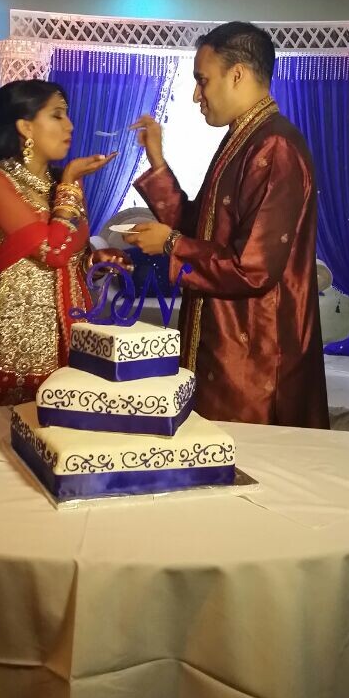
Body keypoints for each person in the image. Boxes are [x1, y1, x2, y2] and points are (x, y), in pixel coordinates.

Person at [128, 21, 329, 429]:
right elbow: (199, 227)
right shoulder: (245, 139)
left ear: (236, 75)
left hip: (254, 356)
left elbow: (253, 268)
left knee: (245, 458)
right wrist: (158, 163)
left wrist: (171, 245)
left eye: (202, 80)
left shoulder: (273, 146)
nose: (196, 95)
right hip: (225, 340)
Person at [0, 79, 127, 406]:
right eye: (57, 115)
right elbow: (52, 252)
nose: (70, 125)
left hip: (70, 321)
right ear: (26, 127)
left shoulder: (62, 184)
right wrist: (70, 182)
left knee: (67, 416)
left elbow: (71, 257)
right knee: (9, 422)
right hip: (15, 323)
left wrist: (97, 260)